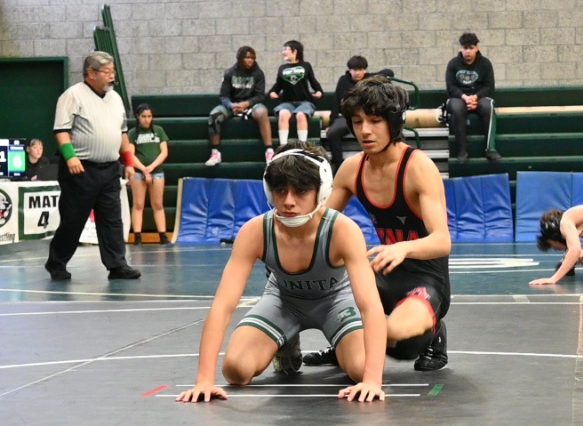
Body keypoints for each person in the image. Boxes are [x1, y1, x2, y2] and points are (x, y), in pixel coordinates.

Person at [176, 142, 387, 404]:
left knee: (362, 368)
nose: (288, 201)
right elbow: (223, 306)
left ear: (321, 191)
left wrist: (372, 380)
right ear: (269, 190)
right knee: (236, 370)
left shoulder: (343, 230)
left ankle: (340, 343)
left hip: (336, 301)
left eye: (300, 191)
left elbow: (370, 306)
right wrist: (204, 380)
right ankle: (285, 340)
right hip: (283, 300)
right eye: (280, 190)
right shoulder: (255, 232)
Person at [303, 76, 452, 372]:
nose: (365, 131)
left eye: (375, 121)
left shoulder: (418, 167)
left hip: (425, 279)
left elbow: (442, 241)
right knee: (315, 280)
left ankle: (433, 332)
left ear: (394, 123)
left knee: (400, 340)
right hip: (380, 274)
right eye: (357, 122)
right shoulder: (352, 169)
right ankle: (345, 340)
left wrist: (403, 248)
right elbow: (319, 225)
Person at [43, 51, 141, 281]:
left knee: (112, 220)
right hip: (80, 169)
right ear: (90, 73)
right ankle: (56, 263)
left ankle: (117, 265)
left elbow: (123, 134)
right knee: (73, 219)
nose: (112, 76)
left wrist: (128, 163)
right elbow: (61, 130)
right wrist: (71, 157)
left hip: (110, 168)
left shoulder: (115, 98)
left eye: (113, 71)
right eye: (106, 72)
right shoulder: (72, 96)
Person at [205, 46, 274, 166]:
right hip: (233, 105)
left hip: (251, 104)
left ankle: (269, 151)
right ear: (240, 58)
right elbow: (223, 96)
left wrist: (246, 104)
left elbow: (260, 96)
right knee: (214, 116)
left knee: (262, 113)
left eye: (253, 58)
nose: (250, 60)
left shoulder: (258, 73)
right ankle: (215, 153)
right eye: (247, 58)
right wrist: (231, 105)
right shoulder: (230, 73)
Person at [327, 55, 394, 173]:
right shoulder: (343, 80)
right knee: (332, 133)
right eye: (354, 70)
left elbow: (389, 72)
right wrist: (331, 123)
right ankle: (339, 166)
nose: (357, 73)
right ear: (349, 70)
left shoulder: (370, 79)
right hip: (347, 117)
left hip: (367, 116)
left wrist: (373, 77)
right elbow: (336, 102)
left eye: (361, 69)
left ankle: (380, 163)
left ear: (365, 70)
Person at [445, 32, 501, 163]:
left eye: (471, 48)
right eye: (465, 48)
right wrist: (464, 97)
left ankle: (490, 149)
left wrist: (476, 97)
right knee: (456, 108)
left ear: (477, 48)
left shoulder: (485, 63)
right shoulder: (453, 64)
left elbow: (489, 86)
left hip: (479, 97)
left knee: (488, 106)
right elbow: (450, 87)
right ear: (461, 48)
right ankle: (462, 150)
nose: (468, 51)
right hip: (460, 98)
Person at [128, 104, 170, 245]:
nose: (147, 119)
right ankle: (137, 236)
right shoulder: (133, 133)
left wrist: (151, 167)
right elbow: (130, 154)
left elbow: (164, 152)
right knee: (138, 204)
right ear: (138, 117)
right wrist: (143, 169)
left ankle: (163, 235)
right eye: (143, 116)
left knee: (158, 204)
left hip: (157, 172)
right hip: (139, 172)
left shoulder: (159, 131)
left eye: (149, 116)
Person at [268, 40, 323, 146]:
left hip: (304, 102)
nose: (283, 52)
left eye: (286, 49)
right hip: (287, 102)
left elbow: (313, 81)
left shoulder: (306, 65)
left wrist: (319, 91)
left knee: (300, 115)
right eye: (283, 49)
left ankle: (302, 145)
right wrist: (273, 92)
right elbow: (278, 85)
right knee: (283, 114)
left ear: (295, 51)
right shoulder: (282, 68)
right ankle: (283, 145)